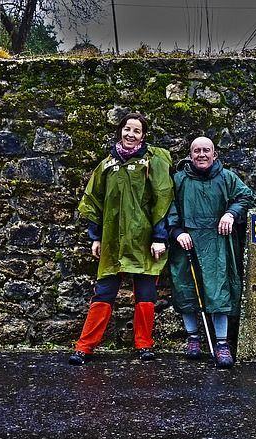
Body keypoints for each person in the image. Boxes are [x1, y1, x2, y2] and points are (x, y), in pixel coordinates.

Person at [68, 112, 174, 366]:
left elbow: (162, 199)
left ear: (143, 135)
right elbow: (94, 202)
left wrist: (159, 236)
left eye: (136, 131)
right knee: (104, 292)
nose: (131, 134)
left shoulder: (152, 162)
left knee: (146, 293)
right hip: (113, 241)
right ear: (120, 131)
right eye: (127, 129)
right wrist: (95, 237)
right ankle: (85, 347)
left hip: (144, 240)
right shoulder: (106, 165)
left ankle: (143, 344)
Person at [167, 136, 254, 369]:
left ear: (214, 154)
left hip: (217, 243)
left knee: (218, 290)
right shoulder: (179, 180)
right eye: (197, 151)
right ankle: (193, 338)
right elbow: (167, 208)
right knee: (186, 288)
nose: (202, 155)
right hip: (188, 242)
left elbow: (247, 196)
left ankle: (222, 343)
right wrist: (176, 232)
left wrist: (231, 213)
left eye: (207, 150)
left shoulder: (226, 178)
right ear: (190, 154)